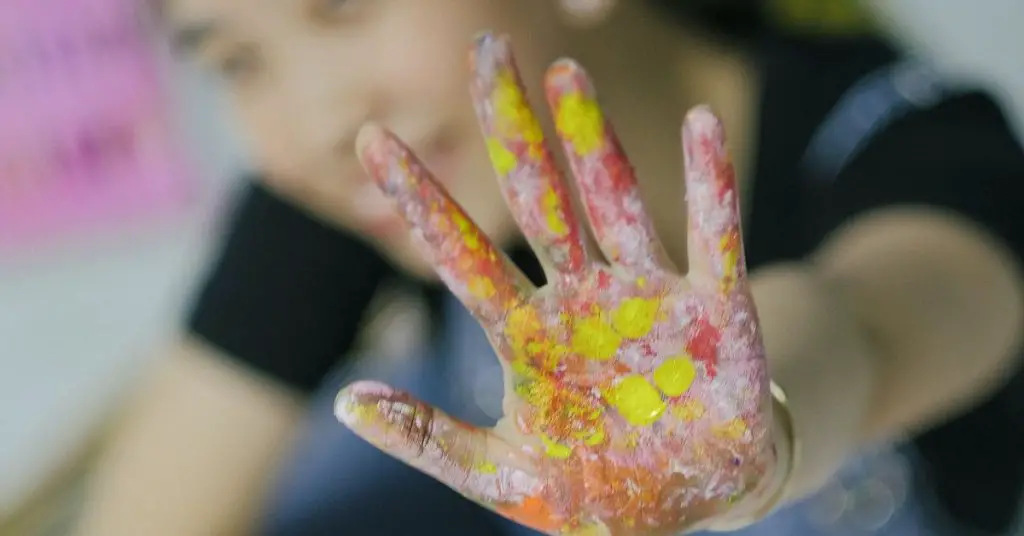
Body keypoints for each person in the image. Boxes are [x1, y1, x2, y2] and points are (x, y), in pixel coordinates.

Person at [73, 0, 1024, 534]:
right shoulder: (373, 171)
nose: (318, 113)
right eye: (237, 62)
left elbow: (875, 319)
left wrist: (751, 448)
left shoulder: (915, 139)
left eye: (345, 8)